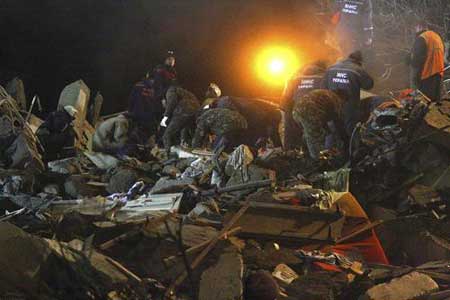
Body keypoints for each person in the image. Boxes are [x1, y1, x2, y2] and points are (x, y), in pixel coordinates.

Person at [324, 51, 374, 137]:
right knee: (351, 128)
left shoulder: (331, 68)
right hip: (350, 104)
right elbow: (369, 85)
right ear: (359, 61)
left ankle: (335, 148)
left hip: (332, 103)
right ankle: (353, 148)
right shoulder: (357, 69)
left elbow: (324, 85)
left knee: (334, 128)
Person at [281, 61, 327, 150]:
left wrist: (288, 120)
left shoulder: (293, 80)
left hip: (295, 113)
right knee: (315, 140)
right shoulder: (323, 79)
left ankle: (291, 152)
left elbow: (285, 102)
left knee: (295, 141)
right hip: (314, 114)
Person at [292, 89, 346, 161]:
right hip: (309, 113)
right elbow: (334, 121)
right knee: (316, 138)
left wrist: (328, 132)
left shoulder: (324, 93)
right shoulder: (335, 99)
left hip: (296, 111)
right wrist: (343, 138)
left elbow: (324, 117)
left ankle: (305, 153)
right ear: (342, 98)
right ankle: (316, 160)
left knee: (308, 133)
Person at [215, 96, 281, 147]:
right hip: (257, 119)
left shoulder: (223, 101)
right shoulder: (225, 101)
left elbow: (232, 120)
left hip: (258, 118)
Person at [410, 20, 445, 102]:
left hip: (427, 75)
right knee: (434, 104)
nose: (415, 30)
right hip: (439, 74)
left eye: (415, 28)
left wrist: (410, 61)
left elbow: (418, 59)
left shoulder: (422, 37)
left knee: (423, 103)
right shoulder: (436, 36)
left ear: (419, 26)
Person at [161, 86, 200, 153]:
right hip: (195, 113)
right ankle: (192, 149)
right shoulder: (186, 93)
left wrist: (165, 117)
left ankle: (168, 156)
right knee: (186, 130)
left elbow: (172, 102)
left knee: (166, 135)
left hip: (183, 111)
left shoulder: (170, 91)